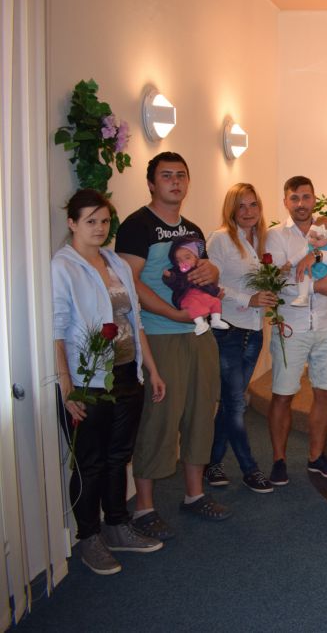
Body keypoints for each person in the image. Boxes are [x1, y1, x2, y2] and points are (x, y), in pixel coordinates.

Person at [115, 152, 230, 539]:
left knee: (201, 413)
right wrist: (171, 313)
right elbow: (130, 283)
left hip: (198, 334)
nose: (175, 182)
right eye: (166, 176)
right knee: (159, 419)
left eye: (181, 175)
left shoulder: (193, 229)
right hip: (160, 335)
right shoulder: (137, 225)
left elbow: (203, 275)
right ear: (151, 183)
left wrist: (212, 270)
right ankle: (144, 508)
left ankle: (194, 495)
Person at [53, 189, 167, 574]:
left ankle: (117, 525)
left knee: (119, 456)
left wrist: (151, 369)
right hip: (88, 380)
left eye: (104, 221)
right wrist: (67, 388)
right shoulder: (63, 267)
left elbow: (135, 320)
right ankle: (89, 536)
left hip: (126, 372)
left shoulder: (115, 261)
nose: (100, 228)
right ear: (72, 223)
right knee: (90, 463)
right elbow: (56, 332)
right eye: (91, 221)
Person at [265, 176, 327, 485]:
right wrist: (316, 286)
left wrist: (316, 255)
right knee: (282, 395)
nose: (301, 203)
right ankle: (279, 460)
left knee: (326, 392)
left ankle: (316, 457)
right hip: (292, 325)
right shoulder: (276, 236)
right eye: (294, 198)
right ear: (285, 202)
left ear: (314, 198)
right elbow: (275, 279)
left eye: (305, 197)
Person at [204, 183, 277, 493]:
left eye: (253, 204)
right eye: (241, 206)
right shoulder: (220, 239)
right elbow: (211, 285)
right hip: (228, 331)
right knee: (236, 404)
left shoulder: (261, 241)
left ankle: (212, 463)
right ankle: (250, 469)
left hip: (254, 332)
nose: (248, 211)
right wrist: (249, 299)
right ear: (231, 209)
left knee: (230, 403)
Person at [162, 236, 229, 335]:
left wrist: (216, 291)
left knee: (215, 302)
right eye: (178, 260)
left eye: (187, 257)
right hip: (187, 297)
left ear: (196, 258)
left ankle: (216, 320)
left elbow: (208, 284)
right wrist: (169, 276)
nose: (183, 262)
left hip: (202, 295)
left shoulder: (201, 271)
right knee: (193, 305)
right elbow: (175, 282)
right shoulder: (178, 273)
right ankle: (200, 323)